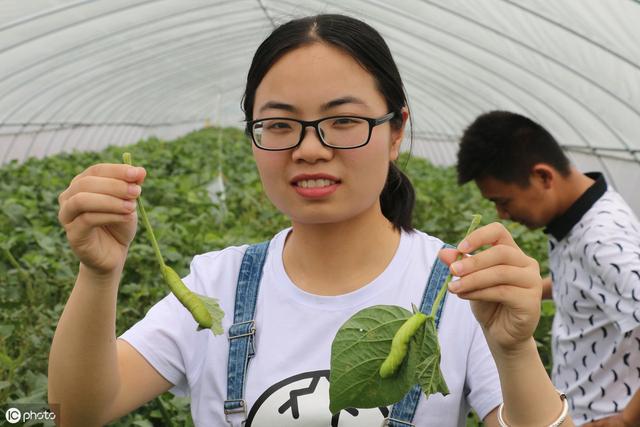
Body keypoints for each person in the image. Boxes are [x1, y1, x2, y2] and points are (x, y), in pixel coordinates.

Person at [49, 15, 573, 427]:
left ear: (396, 132)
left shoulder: (460, 291)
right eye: (279, 125)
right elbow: (78, 412)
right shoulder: (218, 286)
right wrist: (99, 274)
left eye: (343, 121)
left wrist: (517, 349)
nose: (308, 149)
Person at [456, 110, 640, 426]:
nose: (502, 214)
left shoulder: (602, 242)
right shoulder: (580, 215)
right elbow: (588, 280)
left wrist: (626, 420)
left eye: (504, 200)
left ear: (543, 176)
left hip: (596, 415)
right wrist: (519, 288)